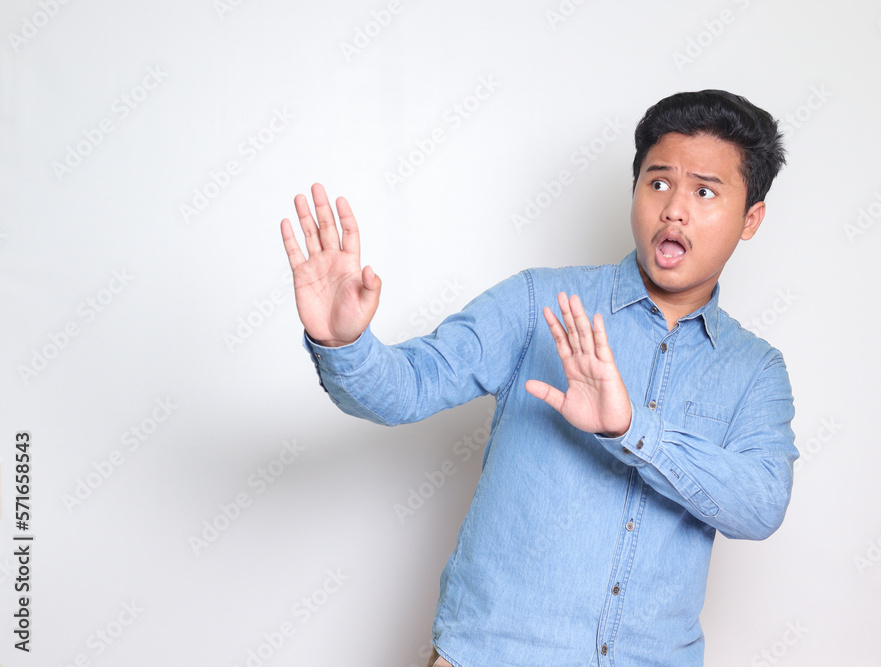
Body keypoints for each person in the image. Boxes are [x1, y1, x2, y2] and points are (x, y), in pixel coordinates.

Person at [279, 89, 798, 667]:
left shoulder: (755, 371)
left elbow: (760, 504)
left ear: (751, 217)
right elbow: (408, 387)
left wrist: (632, 429)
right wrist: (343, 341)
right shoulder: (538, 302)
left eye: (704, 191)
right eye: (657, 183)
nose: (673, 208)